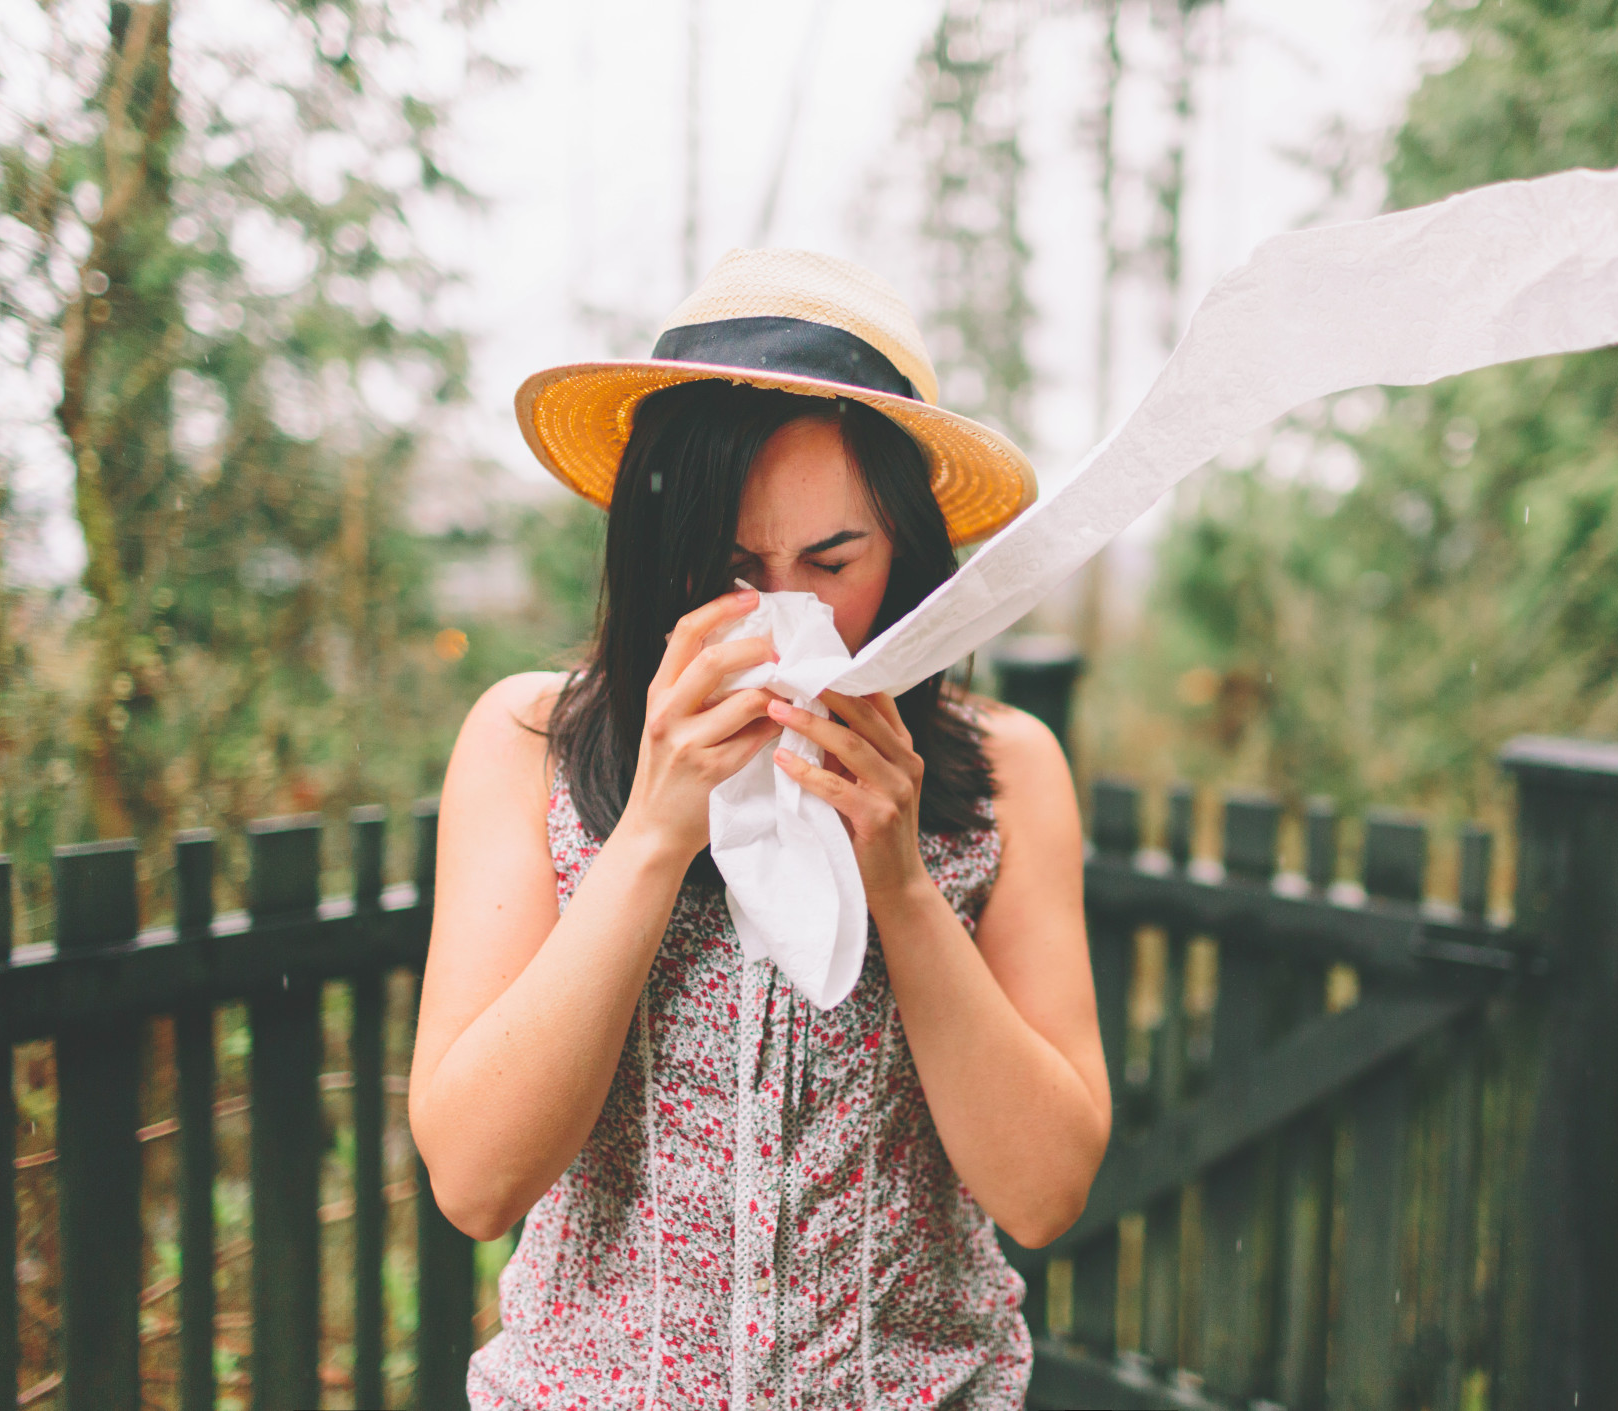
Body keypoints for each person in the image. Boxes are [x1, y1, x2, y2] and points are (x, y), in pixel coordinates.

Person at [407, 248, 1109, 1410]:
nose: (789, 608)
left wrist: (900, 883)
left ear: (909, 552)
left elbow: (1043, 1192)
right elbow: (476, 1182)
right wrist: (649, 834)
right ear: (657, 551)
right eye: (732, 568)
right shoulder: (528, 739)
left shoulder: (1005, 771)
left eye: (833, 560)